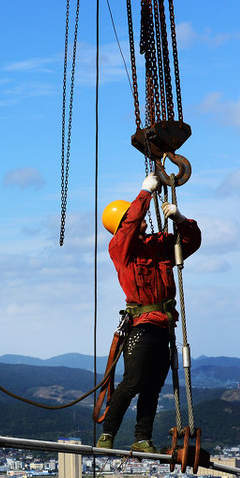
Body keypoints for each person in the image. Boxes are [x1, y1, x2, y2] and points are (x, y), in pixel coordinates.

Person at [96, 172, 201, 453]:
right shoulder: (120, 248)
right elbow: (129, 225)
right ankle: (108, 434)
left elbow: (190, 243)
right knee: (132, 382)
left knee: (153, 387)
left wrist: (181, 220)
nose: (139, 217)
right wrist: (145, 193)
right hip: (142, 325)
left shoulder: (158, 246)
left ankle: (142, 438)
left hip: (163, 326)